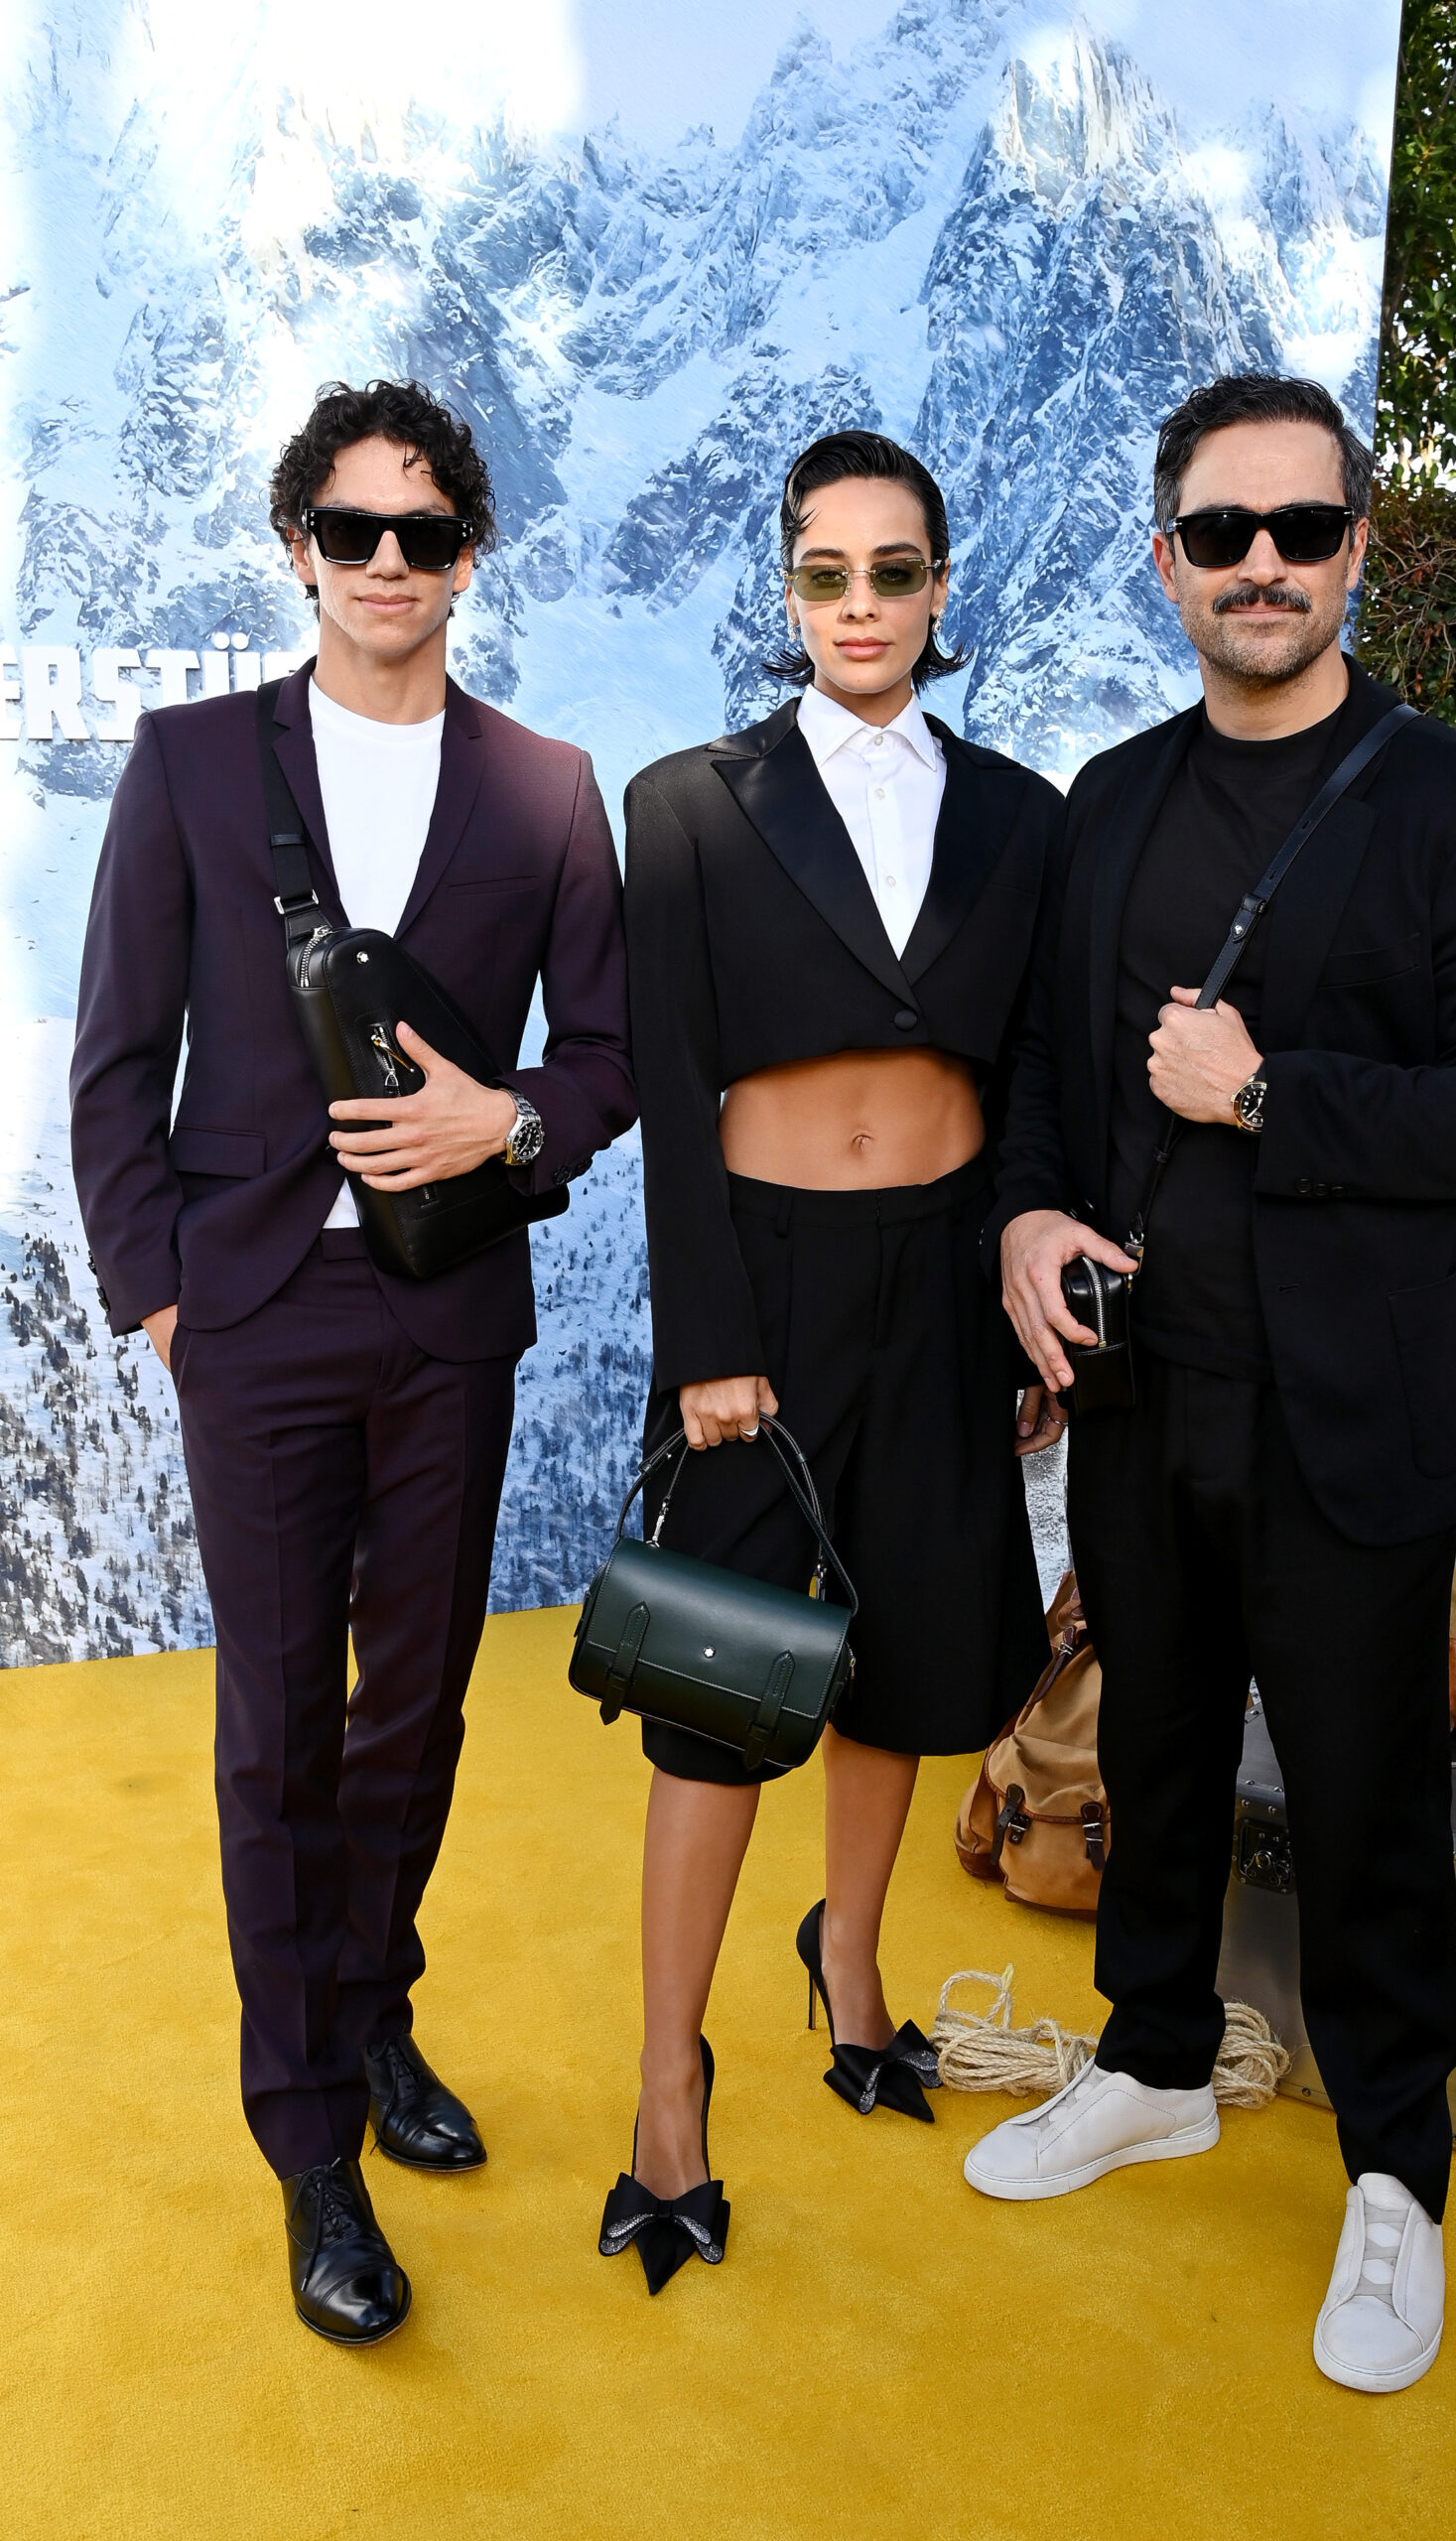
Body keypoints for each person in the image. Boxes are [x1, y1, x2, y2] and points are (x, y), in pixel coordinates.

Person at [966, 373, 1456, 2394]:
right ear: (1166, 560)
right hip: (1147, 1386)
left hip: (1357, 1402)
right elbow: (1049, 1066)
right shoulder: (1110, 803)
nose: (1261, 565)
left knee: (1360, 1793)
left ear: (1354, 550)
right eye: (1220, 533)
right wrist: (1023, 1219)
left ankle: (1397, 2165)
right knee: (1152, 1744)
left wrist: (1267, 1094)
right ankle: (1154, 2058)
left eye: (1299, 530)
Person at [70, 378, 635, 2345]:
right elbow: (115, 1058)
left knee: (417, 1711)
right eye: (351, 529)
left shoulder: (547, 789)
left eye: (423, 531)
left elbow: (610, 1055)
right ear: (298, 548)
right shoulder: (190, 762)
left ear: (469, 556)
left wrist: (510, 1122)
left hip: (447, 1313)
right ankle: (310, 2134)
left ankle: (372, 2004)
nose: (386, 562)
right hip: (252, 1316)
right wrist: (164, 1297)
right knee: (277, 1726)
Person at [604, 430, 1060, 2294]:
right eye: (826, 572)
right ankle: (667, 2084)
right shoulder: (688, 805)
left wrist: (1023, 1289)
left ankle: (851, 1962)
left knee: (904, 1659)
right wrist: (710, 1340)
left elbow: (1034, 1078)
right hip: (767, 1294)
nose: (861, 603)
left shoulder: (1024, 814)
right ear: (787, 590)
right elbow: (666, 1083)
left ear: (940, 589)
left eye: (894, 570)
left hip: (947, 1282)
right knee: (721, 1688)